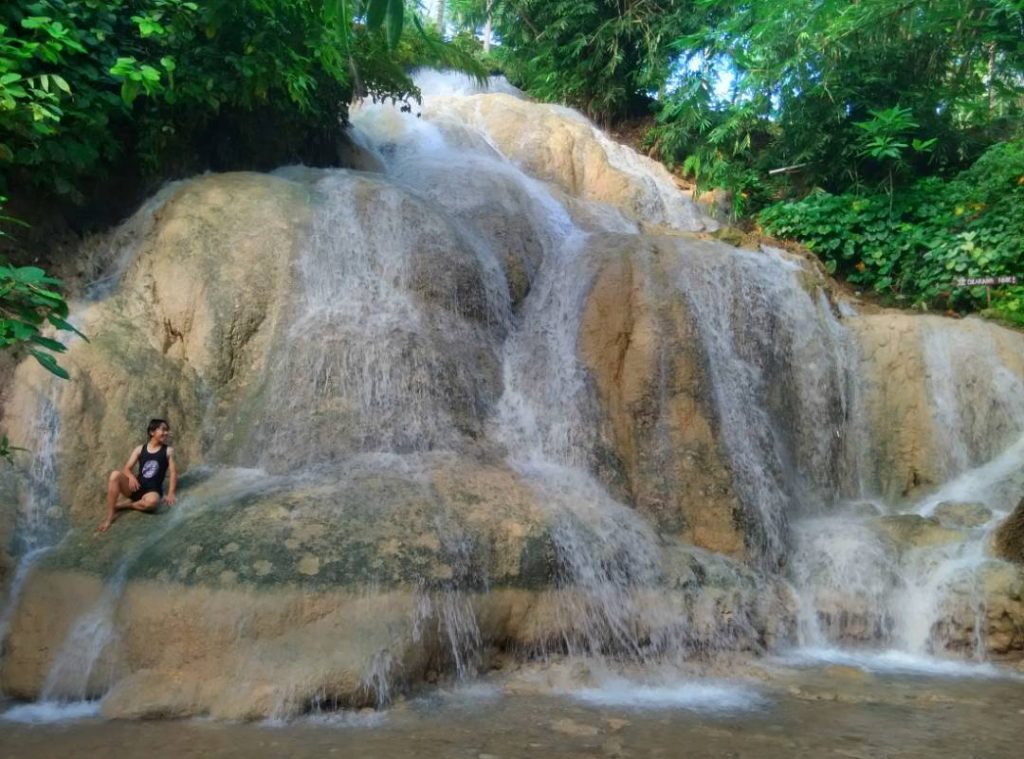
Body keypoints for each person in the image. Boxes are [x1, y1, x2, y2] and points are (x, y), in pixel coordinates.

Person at [97, 418, 177, 533]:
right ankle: (110, 517)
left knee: (152, 502)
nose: (166, 433)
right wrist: (131, 477)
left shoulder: (168, 451)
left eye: (167, 430)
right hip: (136, 487)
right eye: (163, 430)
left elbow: (173, 472)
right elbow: (126, 468)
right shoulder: (140, 449)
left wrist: (171, 493)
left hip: (152, 490)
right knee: (114, 475)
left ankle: (126, 506)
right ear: (152, 432)